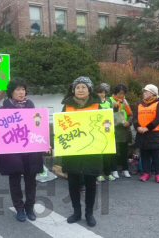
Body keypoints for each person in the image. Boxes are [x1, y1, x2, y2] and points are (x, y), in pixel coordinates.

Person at [0, 78, 43, 222]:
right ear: (11, 92)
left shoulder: (31, 106)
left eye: (23, 89)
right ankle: (19, 208)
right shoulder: (4, 109)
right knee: (14, 180)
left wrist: (45, 142)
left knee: (31, 180)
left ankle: (29, 207)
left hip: (30, 151)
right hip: (12, 151)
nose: (21, 92)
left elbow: (38, 128)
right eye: (18, 89)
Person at [61, 76, 102, 227]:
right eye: (77, 87)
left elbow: (105, 125)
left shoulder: (98, 105)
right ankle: (76, 211)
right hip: (72, 149)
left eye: (83, 87)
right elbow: (61, 127)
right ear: (73, 90)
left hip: (92, 149)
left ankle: (89, 212)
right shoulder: (67, 106)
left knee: (91, 182)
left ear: (89, 89)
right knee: (73, 182)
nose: (80, 90)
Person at [134, 84, 159, 183]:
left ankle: (158, 174)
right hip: (141, 133)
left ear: (152, 93)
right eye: (144, 91)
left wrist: (147, 128)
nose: (144, 93)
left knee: (156, 154)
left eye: (146, 91)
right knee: (144, 154)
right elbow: (135, 118)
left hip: (154, 133)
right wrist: (138, 127)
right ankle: (146, 173)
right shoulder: (140, 104)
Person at [109, 84, 133, 179]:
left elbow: (130, 114)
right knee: (114, 151)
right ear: (115, 92)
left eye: (123, 93)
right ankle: (114, 169)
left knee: (124, 151)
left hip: (124, 129)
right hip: (114, 128)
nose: (121, 95)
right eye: (119, 93)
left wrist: (129, 122)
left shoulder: (125, 102)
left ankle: (125, 169)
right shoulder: (110, 100)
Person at [95, 83, 116, 182]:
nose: (102, 95)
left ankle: (108, 173)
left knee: (108, 153)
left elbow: (112, 113)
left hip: (108, 130)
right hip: (97, 130)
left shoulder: (108, 101)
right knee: (99, 154)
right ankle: (99, 174)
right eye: (100, 93)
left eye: (104, 93)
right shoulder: (94, 102)